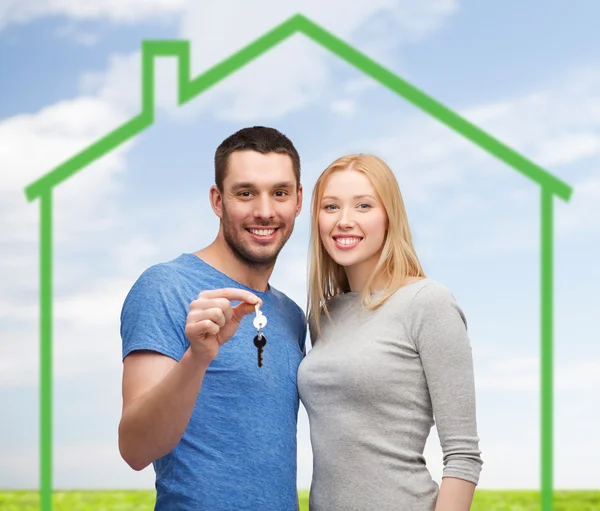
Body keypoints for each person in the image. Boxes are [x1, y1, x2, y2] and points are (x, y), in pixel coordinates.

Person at [118, 126, 307, 511]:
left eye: (280, 193)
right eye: (246, 193)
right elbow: (135, 449)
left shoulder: (292, 315)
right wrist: (198, 357)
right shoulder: (166, 286)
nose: (265, 211)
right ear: (217, 201)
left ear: (298, 201)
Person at [297, 153, 483, 511]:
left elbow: (463, 454)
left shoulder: (428, 303)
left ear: (389, 217)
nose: (344, 221)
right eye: (331, 207)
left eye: (363, 205)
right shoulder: (324, 317)